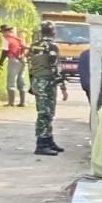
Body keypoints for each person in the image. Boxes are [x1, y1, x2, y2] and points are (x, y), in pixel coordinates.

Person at [27, 22, 68, 156]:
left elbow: (30, 65)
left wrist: (32, 83)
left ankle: (49, 140)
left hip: (38, 82)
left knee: (46, 112)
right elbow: (56, 67)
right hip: (47, 83)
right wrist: (63, 87)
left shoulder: (34, 45)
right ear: (53, 32)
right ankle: (41, 144)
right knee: (45, 113)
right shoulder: (52, 46)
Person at [0, 25, 27, 107]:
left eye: (3, 32)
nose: (3, 34)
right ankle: (23, 102)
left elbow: (4, 52)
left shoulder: (6, 40)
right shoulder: (18, 39)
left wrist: (0, 62)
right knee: (21, 80)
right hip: (22, 60)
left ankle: (11, 102)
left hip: (13, 60)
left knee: (11, 81)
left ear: (7, 32)